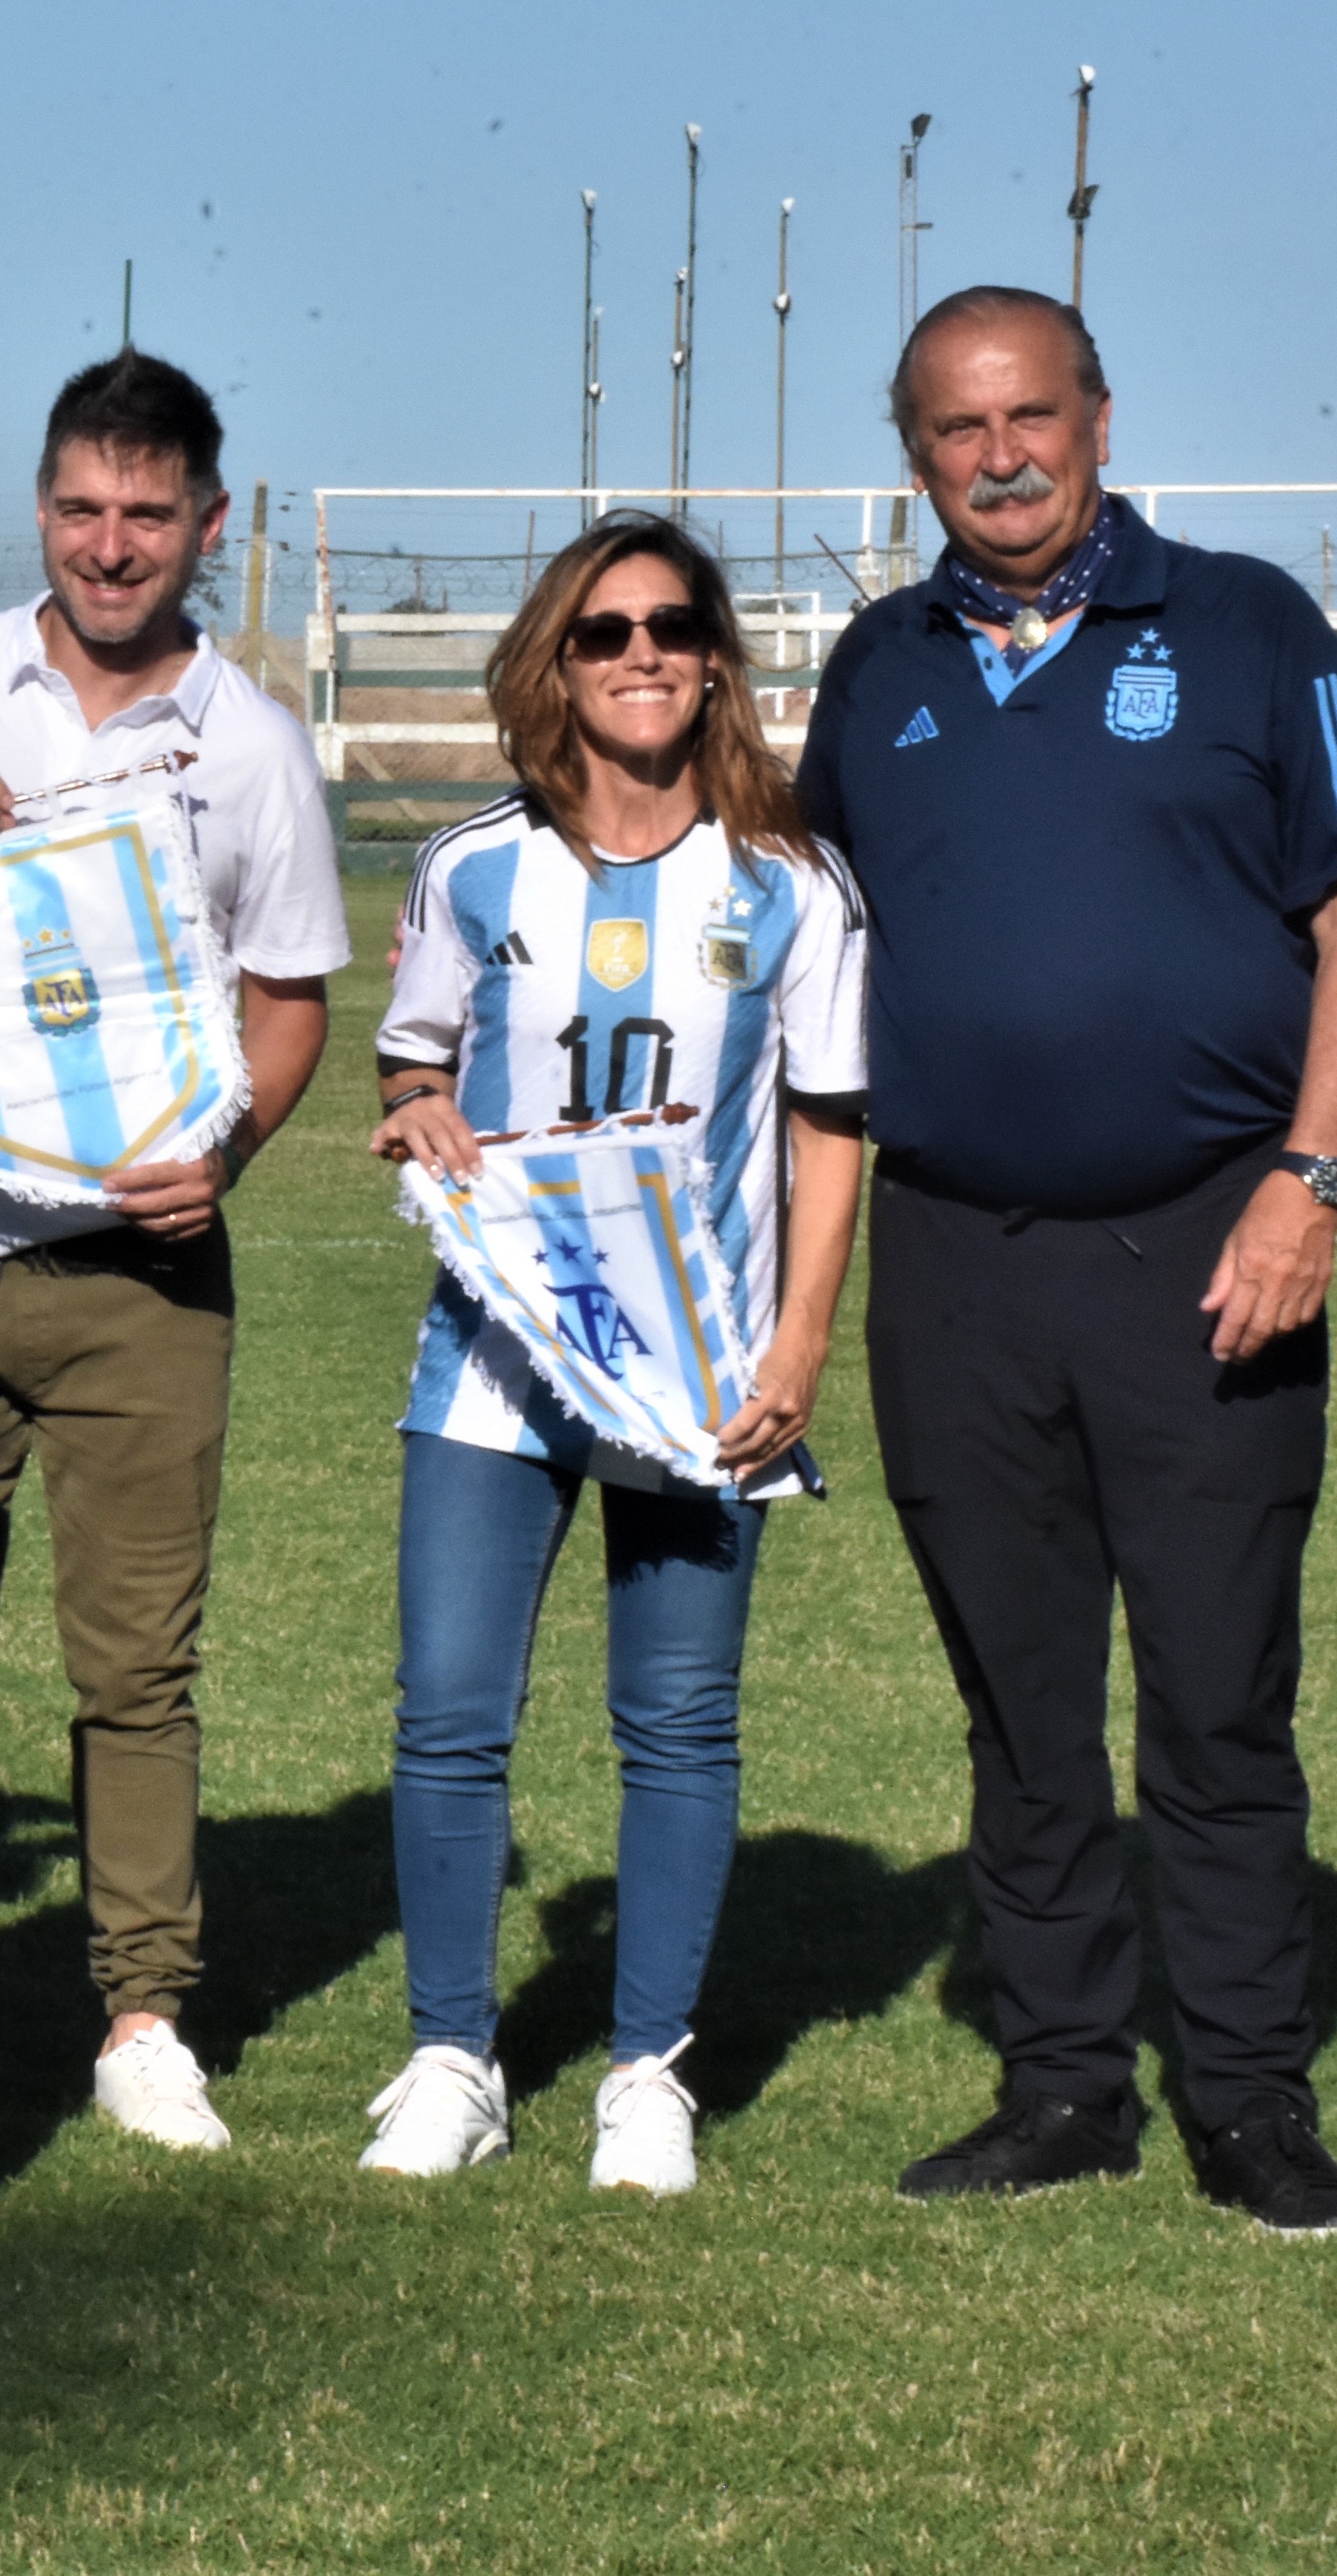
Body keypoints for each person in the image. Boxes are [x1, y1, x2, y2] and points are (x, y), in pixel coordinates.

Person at [802, 287, 1337, 2236]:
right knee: (1021, 1699)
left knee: (1221, 1696)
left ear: (1097, 415)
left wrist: (1309, 1182)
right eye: (958, 430)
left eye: (1033, 416)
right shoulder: (871, 667)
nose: (1002, 456)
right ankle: (1065, 2083)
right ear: (915, 458)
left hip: (1211, 1246)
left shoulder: (1248, 628)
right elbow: (793, 942)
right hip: (956, 1258)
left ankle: (1250, 2106)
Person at [0, 351, 348, 2151]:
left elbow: (290, 998)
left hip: (134, 1277)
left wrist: (230, 1148)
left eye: (150, 515)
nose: (113, 547)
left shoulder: (247, 739)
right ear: (42, 507)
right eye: (85, 509)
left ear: (208, 525)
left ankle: (142, 2015)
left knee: (135, 1667)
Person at [355, 512, 866, 2198]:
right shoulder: (471, 867)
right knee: (447, 1716)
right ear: (552, 665)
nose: (639, 654)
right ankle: (452, 2057)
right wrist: (419, 1110)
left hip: (699, 1370)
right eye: (602, 632)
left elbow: (830, 1128)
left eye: (669, 626)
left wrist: (797, 1345)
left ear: (714, 655)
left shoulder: (793, 884)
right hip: (497, 1364)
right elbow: (411, 1065)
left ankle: (647, 2073)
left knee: (678, 1722)